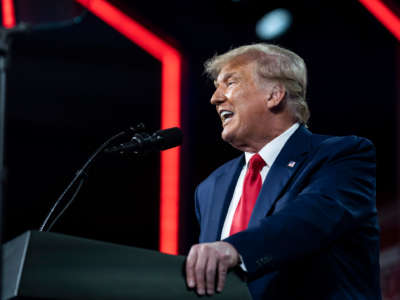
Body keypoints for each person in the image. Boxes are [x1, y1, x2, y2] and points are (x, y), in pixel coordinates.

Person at [185, 43, 381, 299]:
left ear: (275, 95)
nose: (215, 98)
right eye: (216, 88)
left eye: (230, 83)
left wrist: (237, 249)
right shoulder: (209, 188)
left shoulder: (342, 155)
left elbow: (309, 220)